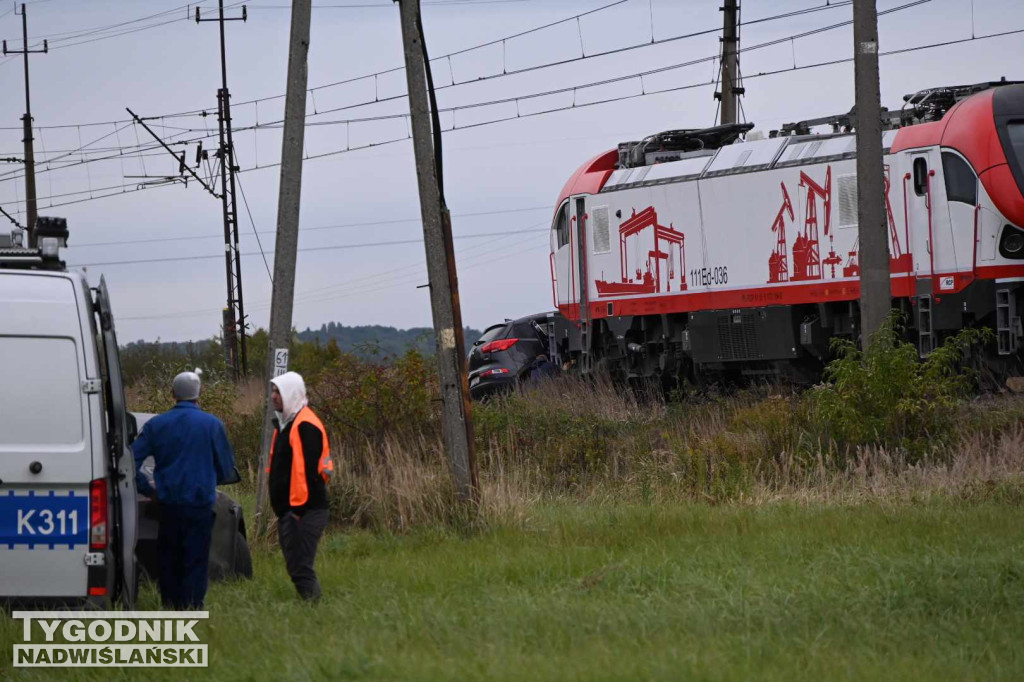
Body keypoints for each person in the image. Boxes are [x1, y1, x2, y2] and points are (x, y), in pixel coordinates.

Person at [132, 370, 236, 610]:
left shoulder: (156, 425)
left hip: (167, 506)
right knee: (196, 560)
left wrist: (148, 490)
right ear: (199, 394)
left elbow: (129, 462)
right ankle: (192, 608)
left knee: (169, 559)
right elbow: (226, 468)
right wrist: (208, 479)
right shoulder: (212, 424)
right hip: (199, 506)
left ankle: (170, 606)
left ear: (172, 394)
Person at [267, 371, 333, 601]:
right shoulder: (288, 423)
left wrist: (298, 511)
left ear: (291, 394)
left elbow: (308, 474)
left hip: (304, 511)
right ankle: (311, 609)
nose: (273, 396)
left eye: (278, 392)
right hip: (293, 511)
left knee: (301, 568)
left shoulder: (306, 425)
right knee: (296, 567)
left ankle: (315, 615)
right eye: (273, 391)